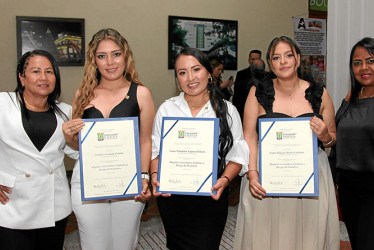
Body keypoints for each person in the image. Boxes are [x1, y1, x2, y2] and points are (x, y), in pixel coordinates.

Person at [234, 36, 340, 250]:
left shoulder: (319, 93)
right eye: (276, 57)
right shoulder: (257, 92)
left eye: (288, 55)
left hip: (310, 174)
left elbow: (332, 138)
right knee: (265, 234)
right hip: (266, 173)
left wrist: (324, 136)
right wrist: (252, 172)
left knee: (309, 234)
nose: (283, 61)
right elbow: (249, 136)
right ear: (270, 64)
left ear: (298, 59)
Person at [63, 28, 155, 250]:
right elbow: (81, 145)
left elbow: (145, 141)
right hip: (88, 181)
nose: (110, 62)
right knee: (93, 244)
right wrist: (69, 136)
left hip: (128, 181)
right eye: (102, 56)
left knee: (124, 244)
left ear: (126, 56)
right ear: (93, 60)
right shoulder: (82, 95)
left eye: (116, 54)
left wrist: (144, 177)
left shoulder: (141, 93)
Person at [151, 48, 248, 249]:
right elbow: (155, 151)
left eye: (196, 69)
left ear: (209, 73)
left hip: (212, 195)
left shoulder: (227, 110)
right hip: (173, 198)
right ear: (177, 78)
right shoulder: (167, 109)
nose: (190, 77)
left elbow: (238, 154)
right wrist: (154, 175)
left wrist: (225, 180)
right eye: (182, 72)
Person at [0, 50, 78, 249]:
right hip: (12, 203)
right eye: (36, 71)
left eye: (49, 72)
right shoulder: (3, 104)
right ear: (22, 77)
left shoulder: (66, 111)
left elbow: (79, 152)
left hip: (54, 205)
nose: (43, 78)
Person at [335, 37, 374, 250]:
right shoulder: (351, 96)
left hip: (372, 186)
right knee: (357, 242)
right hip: (348, 187)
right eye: (357, 63)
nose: (364, 68)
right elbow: (338, 135)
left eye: (370, 60)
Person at [233, 49, 262, 121]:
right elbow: (236, 95)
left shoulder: (266, 75)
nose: (255, 61)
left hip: (261, 111)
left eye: (257, 59)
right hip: (243, 111)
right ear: (249, 60)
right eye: (253, 59)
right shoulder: (241, 74)